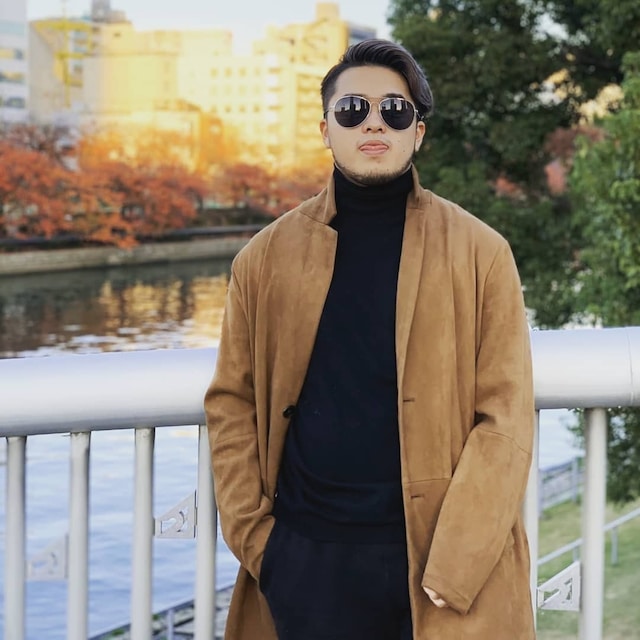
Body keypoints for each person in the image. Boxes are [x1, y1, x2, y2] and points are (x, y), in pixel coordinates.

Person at [205, 38, 535, 640]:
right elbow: (231, 402)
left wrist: (458, 562)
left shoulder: (481, 253)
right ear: (326, 129)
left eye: (396, 110)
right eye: (353, 109)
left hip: (438, 571)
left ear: (418, 133)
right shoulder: (265, 258)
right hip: (305, 562)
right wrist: (262, 545)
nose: (374, 123)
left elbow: (506, 416)